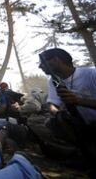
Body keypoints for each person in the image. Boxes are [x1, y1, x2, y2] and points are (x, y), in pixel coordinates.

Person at [39, 48, 96, 176]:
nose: (40, 66)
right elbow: (52, 104)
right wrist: (57, 112)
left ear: (56, 60)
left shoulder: (91, 74)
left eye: (43, 63)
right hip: (79, 126)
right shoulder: (54, 81)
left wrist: (78, 101)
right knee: (47, 123)